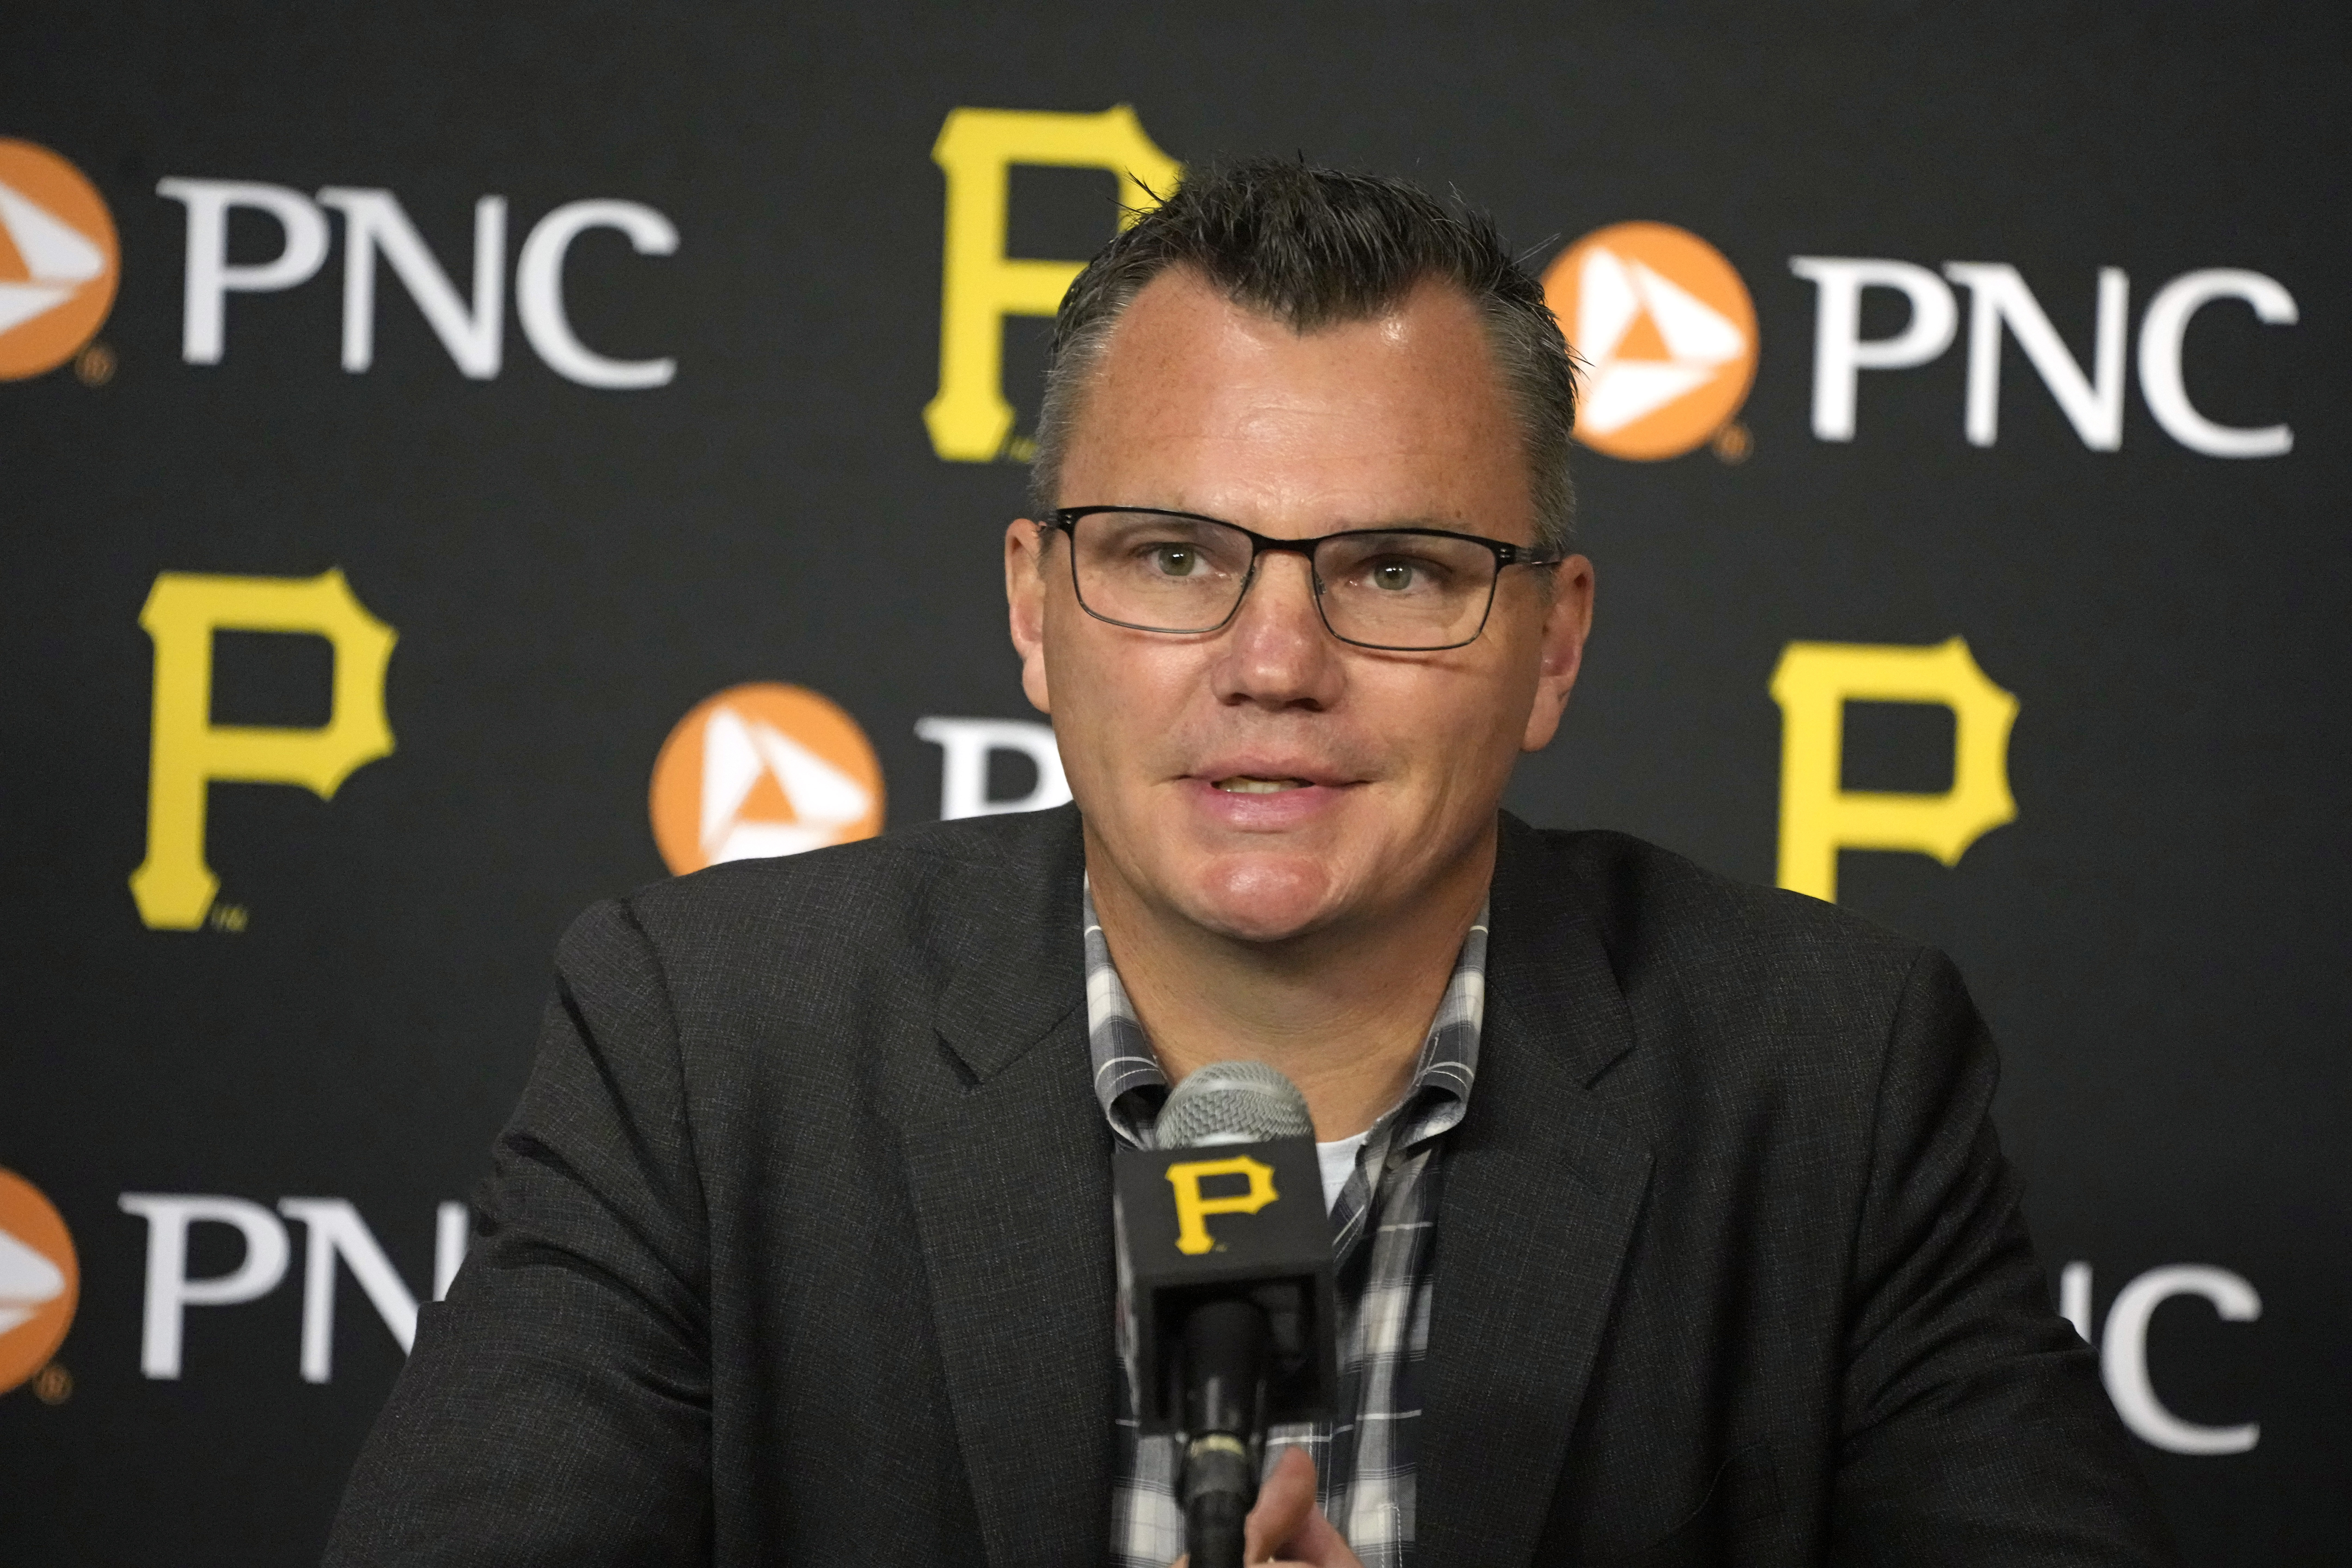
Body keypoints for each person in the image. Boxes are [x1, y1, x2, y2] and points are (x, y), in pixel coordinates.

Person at [324, 161, 2176, 1568]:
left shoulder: (1830, 1078)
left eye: (1394, 569)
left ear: (1555, 643)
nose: (1275, 664)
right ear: (1037, 612)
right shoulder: (707, 1041)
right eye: (1169, 554)